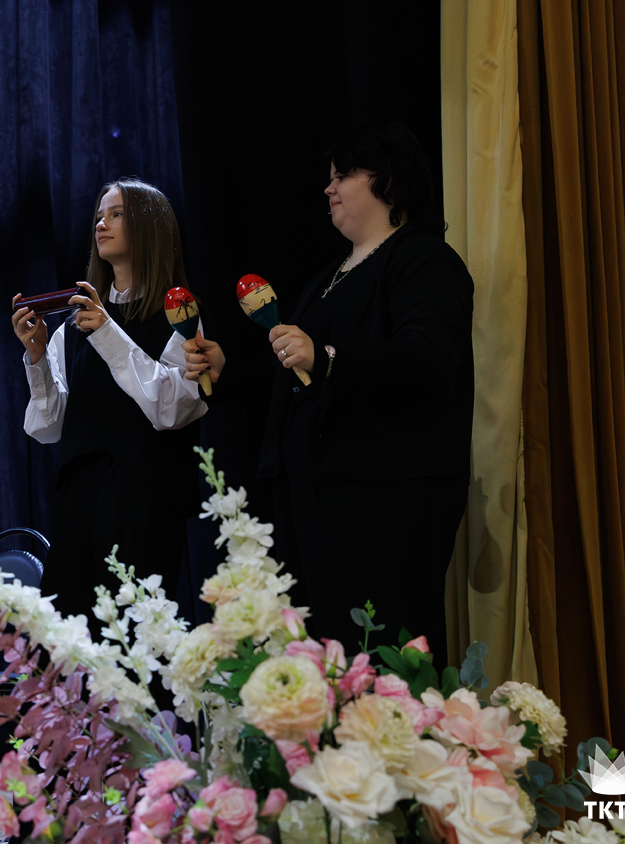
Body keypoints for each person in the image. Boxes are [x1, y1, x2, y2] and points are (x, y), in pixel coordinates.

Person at [183, 124, 473, 655]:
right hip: (315, 493)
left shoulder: (424, 259)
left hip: (385, 495)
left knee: (380, 651)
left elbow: (427, 355)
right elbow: (301, 382)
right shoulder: (329, 277)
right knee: (323, 656)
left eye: (343, 175)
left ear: (388, 180)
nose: (328, 187)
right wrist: (230, 373)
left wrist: (326, 357)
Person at [12, 178, 206, 624]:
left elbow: (172, 408)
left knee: (134, 635)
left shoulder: (179, 311)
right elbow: (46, 426)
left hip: (145, 498)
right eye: (99, 216)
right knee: (68, 637)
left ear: (150, 226)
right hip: (79, 501)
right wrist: (37, 358)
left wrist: (107, 332)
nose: (102, 224)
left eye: (116, 214)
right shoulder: (72, 327)